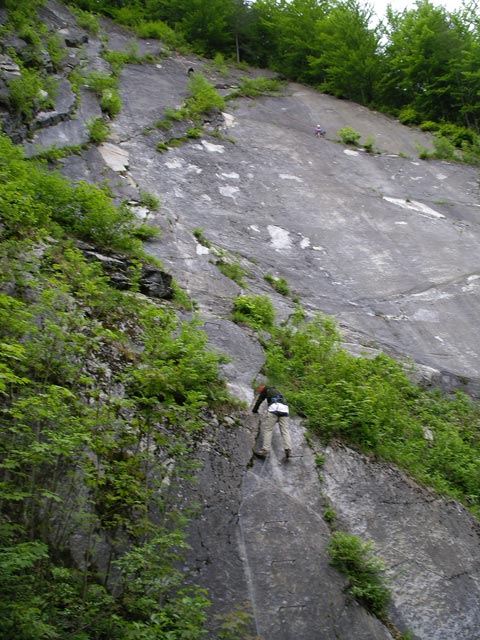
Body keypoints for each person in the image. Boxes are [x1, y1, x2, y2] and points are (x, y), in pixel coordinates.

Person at [252, 385, 292, 459]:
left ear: (261, 389)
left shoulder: (265, 390)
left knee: (268, 430)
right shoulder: (276, 390)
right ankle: (288, 449)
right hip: (285, 409)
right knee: (285, 430)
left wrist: (254, 410)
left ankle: (265, 450)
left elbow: (259, 401)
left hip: (274, 408)